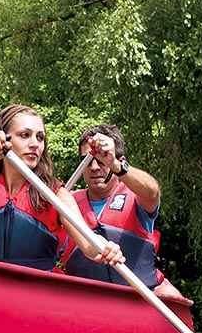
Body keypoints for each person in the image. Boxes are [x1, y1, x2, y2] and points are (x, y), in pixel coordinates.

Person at [0, 104, 124, 272]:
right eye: (25, 135)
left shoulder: (56, 193)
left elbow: (88, 243)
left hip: (34, 287)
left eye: (40, 137)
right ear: (5, 139)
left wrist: (107, 248)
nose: (35, 144)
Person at [64, 125, 188, 300]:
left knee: (170, 295)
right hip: (85, 302)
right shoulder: (65, 201)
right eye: (87, 161)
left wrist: (115, 164)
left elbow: (152, 191)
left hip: (139, 299)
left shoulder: (138, 196)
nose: (94, 167)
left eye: (101, 160)